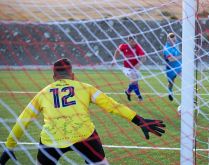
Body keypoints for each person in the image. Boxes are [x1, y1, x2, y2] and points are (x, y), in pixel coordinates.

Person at [0, 58, 166, 165]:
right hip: (84, 136)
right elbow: (113, 106)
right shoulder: (85, 88)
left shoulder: (43, 93)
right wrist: (139, 120)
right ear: (73, 75)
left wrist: (9, 146)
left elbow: (23, 120)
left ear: (53, 77)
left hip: (52, 139)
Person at [112, 35, 146, 101]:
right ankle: (140, 97)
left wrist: (138, 64)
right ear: (128, 41)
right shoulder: (123, 46)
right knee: (134, 80)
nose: (133, 43)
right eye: (131, 41)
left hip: (135, 68)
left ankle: (128, 92)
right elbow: (117, 51)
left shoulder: (138, 47)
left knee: (134, 82)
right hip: (126, 68)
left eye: (134, 41)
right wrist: (114, 60)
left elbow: (144, 58)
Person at [163, 32, 182, 101]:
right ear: (168, 40)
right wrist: (181, 56)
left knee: (186, 80)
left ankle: (189, 96)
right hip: (170, 69)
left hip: (179, 67)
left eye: (174, 40)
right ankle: (170, 91)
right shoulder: (166, 48)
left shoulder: (176, 45)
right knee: (171, 83)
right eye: (172, 40)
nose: (174, 42)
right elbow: (170, 59)